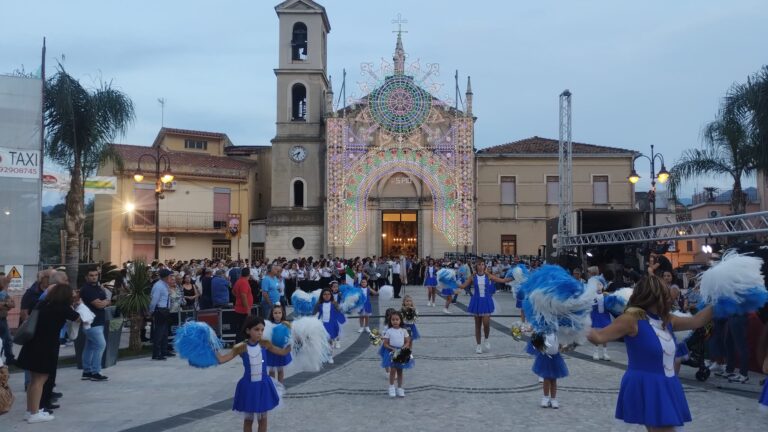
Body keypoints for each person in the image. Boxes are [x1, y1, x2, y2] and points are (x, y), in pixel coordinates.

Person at [587, 275, 714, 431]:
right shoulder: (630, 319)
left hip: (667, 384)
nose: (670, 295)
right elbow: (599, 337)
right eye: (665, 291)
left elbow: (697, 321)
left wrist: (723, 301)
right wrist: (575, 322)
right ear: (654, 294)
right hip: (645, 384)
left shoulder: (666, 319)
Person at [16, 283, 80, 423]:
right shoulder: (62, 308)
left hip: (32, 345)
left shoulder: (42, 304)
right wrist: (77, 302)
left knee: (33, 381)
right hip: (46, 347)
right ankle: (35, 414)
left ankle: (31, 410)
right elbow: (80, 318)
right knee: (40, 380)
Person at [216, 316, 289, 432]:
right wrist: (212, 346)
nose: (260, 333)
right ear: (248, 331)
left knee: (263, 420)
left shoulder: (265, 344)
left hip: (263, 386)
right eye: (256, 329)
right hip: (248, 387)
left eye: (262, 330)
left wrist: (294, 341)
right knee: (248, 420)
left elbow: (283, 352)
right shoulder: (241, 348)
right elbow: (222, 359)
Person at [457, 261, 512, 354]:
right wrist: (451, 281)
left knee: (486, 323)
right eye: (479, 264)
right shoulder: (473, 277)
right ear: (476, 266)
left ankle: (486, 338)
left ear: (484, 266)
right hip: (477, 301)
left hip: (486, 301)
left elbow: (502, 280)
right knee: (477, 325)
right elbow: (463, 286)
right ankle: (478, 345)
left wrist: (515, 277)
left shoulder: (488, 276)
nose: (481, 266)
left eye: (482, 264)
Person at [79, 267, 110, 382]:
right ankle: (95, 372)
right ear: (86, 277)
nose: (94, 277)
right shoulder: (87, 289)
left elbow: (105, 300)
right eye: (91, 275)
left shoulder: (98, 288)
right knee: (101, 345)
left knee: (90, 347)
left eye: (95, 275)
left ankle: (86, 371)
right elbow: (99, 305)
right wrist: (106, 302)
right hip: (92, 323)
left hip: (97, 322)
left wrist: (105, 301)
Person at [532, 332, 569, 408]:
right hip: (545, 357)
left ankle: (553, 399)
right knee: (546, 378)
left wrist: (563, 346)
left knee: (554, 379)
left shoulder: (557, 331)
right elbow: (536, 339)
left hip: (555, 358)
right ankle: (545, 398)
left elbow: (560, 344)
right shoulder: (543, 331)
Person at [381, 310, 413, 398]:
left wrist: (404, 346)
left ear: (400, 320)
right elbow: (385, 343)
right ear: (390, 321)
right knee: (393, 371)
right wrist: (392, 349)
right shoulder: (389, 331)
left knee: (400, 371)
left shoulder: (403, 330)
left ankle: (400, 388)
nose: (395, 321)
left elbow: (408, 341)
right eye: (393, 320)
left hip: (401, 352)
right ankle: (391, 387)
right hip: (391, 352)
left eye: (397, 319)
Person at [314, 288, 344, 364]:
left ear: (331, 295)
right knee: (323, 341)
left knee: (330, 341)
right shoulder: (319, 304)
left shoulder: (334, 303)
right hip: (322, 324)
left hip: (332, 324)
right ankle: (323, 355)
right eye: (324, 294)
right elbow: (313, 313)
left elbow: (340, 311)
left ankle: (330, 356)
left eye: (328, 294)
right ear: (322, 295)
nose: (327, 296)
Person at [587, 266, 611, 361]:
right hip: (595, 314)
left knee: (605, 333)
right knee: (596, 332)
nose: (598, 286)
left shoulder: (605, 295)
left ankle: (605, 353)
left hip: (604, 315)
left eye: (600, 284)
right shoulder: (592, 293)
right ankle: (595, 351)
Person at [149, 269, 174, 361]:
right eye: (169, 276)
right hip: (160, 310)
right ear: (165, 277)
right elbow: (154, 300)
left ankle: (164, 351)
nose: (171, 278)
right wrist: (151, 311)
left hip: (165, 310)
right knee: (159, 332)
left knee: (165, 332)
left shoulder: (164, 285)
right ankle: (156, 353)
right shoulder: (158, 286)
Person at [265, 304, 292, 384]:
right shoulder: (268, 325)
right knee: (271, 371)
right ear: (272, 314)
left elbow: (289, 336)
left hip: (282, 350)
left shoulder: (286, 324)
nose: (277, 315)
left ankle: (280, 387)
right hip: (271, 351)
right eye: (275, 313)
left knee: (280, 370)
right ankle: (273, 386)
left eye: (279, 313)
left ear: (282, 314)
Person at [233, 268, 254, 343]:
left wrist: (238, 298)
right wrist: (247, 309)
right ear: (248, 274)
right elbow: (243, 296)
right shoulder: (244, 282)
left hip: (239, 308)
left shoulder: (239, 281)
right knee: (243, 328)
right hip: (243, 310)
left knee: (240, 328)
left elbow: (233, 291)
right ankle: (241, 345)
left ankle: (239, 344)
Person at [0, 274, 16, 365]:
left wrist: (4, 304)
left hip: (3, 320)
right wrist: (6, 304)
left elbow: (12, 304)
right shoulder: (3, 293)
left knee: (7, 340)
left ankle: (9, 358)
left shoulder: (3, 293)